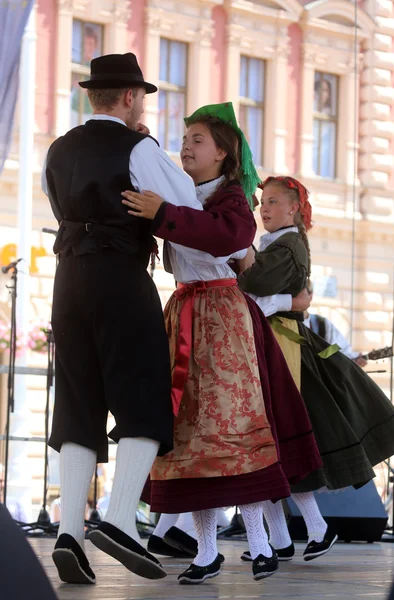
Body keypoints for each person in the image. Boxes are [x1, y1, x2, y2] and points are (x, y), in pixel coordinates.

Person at [121, 103, 322, 583]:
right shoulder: (180, 191)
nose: (187, 146)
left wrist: (165, 213)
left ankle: (260, 543)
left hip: (222, 319)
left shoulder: (231, 202)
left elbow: (225, 237)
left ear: (224, 154)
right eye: (185, 138)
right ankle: (206, 550)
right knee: (190, 435)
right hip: (186, 313)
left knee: (232, 429)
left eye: (198, 140)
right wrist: (140, 146)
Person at [41, 52, 214, 586]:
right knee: (143, 389)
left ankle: (70, 531)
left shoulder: (58, 149)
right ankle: (118, 517)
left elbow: (58, 206)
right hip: (119, 272)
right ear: (131, 98)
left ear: (92, 95)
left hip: (68, 279)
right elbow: (185, 205)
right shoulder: (138, 147)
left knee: (77, 397)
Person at [238, 175, 394, 563]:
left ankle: (303, 532)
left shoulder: (288, 244)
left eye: (274, 201)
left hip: (282, 348)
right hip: (272, 342)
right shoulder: (277, 243)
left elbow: (251, 285)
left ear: (294, 208)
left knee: (275, 443)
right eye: (265, 202)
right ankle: (291, 536)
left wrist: (273, 294)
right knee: (272, 447)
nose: (266, 207)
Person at [304, 284, 367, 366]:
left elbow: (340, 349)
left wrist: (354, 359)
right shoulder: (283, 322)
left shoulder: (322, 324)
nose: (291, 297)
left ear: (310, 296)